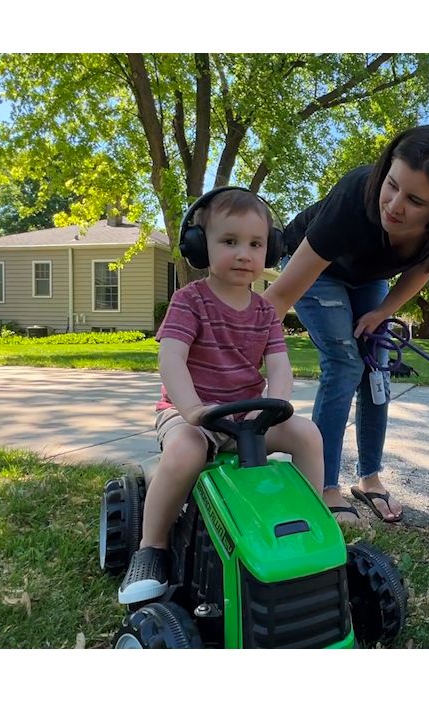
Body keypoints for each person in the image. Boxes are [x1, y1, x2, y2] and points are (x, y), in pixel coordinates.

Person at [263, 123, 429, 525]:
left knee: (376, 367)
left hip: (367, 277)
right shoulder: (354, 197)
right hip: (320, 269)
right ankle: (322, 485)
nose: (394, 205)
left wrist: (383, 311)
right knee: (345, 363)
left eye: (415, 200)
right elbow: (279, 297)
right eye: (391, 185)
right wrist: (237, 353)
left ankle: (369, 478)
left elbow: (419, 272)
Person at [119, 188, 325, 604]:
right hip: (192, 416)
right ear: (201, 246)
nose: (243, 254)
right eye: (229, 241)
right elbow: (171, 358)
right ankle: (151, 547)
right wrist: (192, 409)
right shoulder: (189, 301)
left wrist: (276, 408)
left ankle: (311, 528)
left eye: (255, 244)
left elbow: (279, 367)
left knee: (308, 435)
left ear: (270, 251)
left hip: (249, 418)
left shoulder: (266, 312)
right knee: (187, 451)